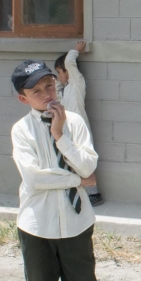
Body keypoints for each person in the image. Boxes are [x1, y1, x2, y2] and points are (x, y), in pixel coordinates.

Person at [10, 59, 141, 281]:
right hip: (36, 226)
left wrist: (60, 138)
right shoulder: (21, 131)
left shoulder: (75, 124)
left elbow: (89, 162)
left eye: (50, 86)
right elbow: (34, 178)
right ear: (23, 99)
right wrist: (75, 179)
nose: (46, 94)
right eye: (37, 90)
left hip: (76, 224)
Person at [55, 41, 103, 206]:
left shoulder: (77, 84)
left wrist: (75, 51)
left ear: (68, 71)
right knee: (71, 160)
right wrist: (57, 79)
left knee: (84, 159)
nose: (59, 76)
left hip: (79, 128)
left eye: (60, 72)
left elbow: (69, 62)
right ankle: (79, 191)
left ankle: (94, 193)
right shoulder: (64, 89)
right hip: (66, 129)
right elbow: (56, 89)